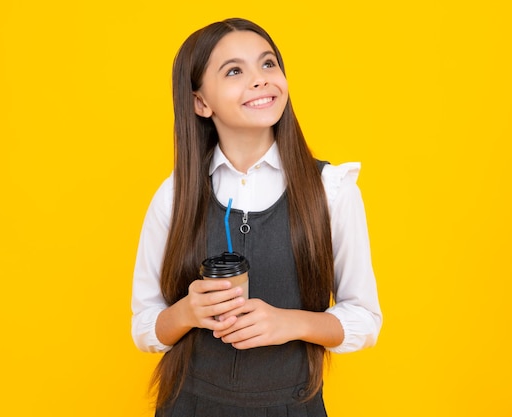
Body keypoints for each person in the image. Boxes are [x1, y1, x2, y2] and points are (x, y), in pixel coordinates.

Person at [131, 17, 382, 417]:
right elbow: (145, 326)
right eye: (234, 71)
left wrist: (290, 323)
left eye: (268, 64)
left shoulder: (331, 190)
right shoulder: (174, 196)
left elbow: (365, 318)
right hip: (188, 406)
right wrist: (188, 312)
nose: (260, 79)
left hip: (290, 406)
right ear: (201, 102)